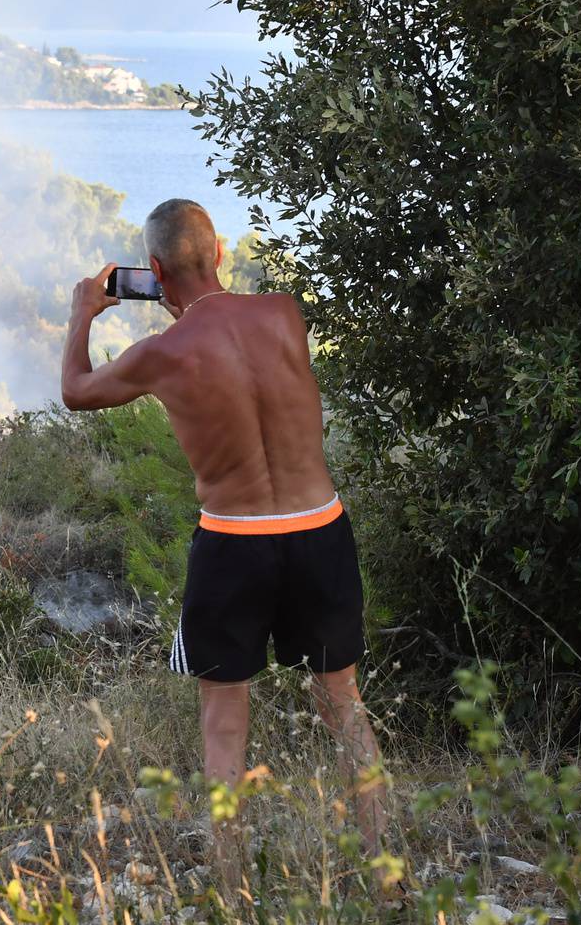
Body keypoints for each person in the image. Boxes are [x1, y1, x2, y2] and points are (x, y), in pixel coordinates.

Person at [59, 197, 385, 888]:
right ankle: (388, 870)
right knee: (343, 704)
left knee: (223, 723)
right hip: (319, 527)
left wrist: (84, 311)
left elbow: (76, 391)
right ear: (220, 253)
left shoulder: (161, 355)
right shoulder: (285, 313)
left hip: (235, 542)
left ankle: (232, 884)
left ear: (152, 271)